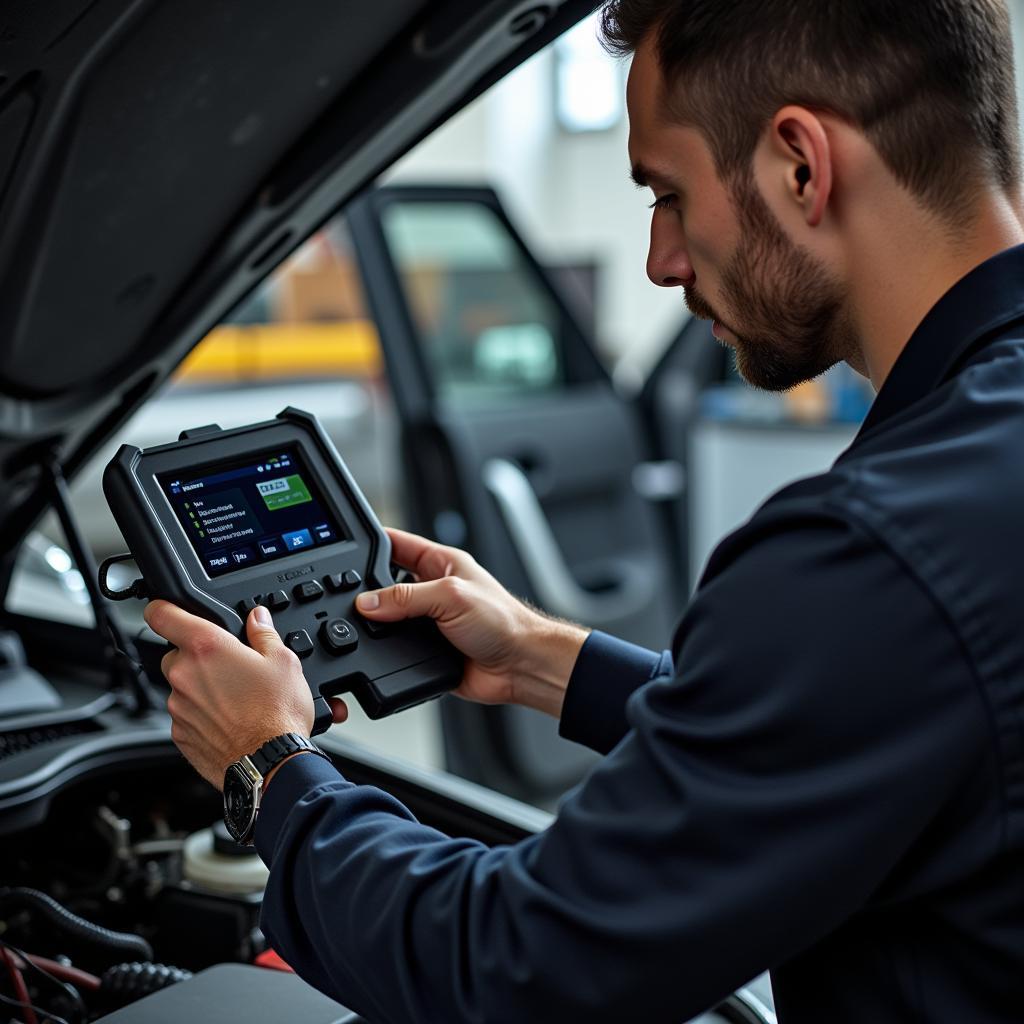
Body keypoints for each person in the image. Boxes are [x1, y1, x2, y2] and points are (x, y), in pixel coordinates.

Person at [144, 1, 1024, 1020]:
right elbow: (870, 719)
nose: (660, 257)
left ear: (798, 164)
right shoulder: (963, 489)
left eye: (667, 192)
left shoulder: (870, 549)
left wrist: (272, 766)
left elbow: (517, 968)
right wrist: (543, 659)